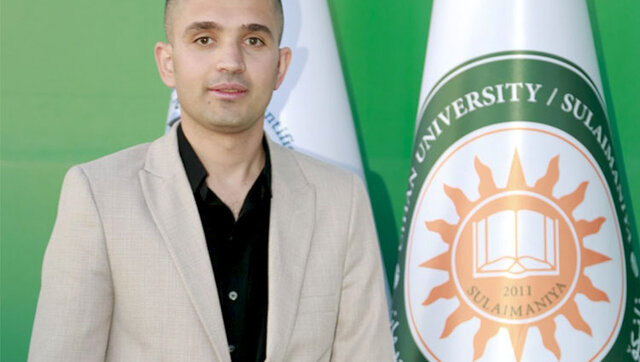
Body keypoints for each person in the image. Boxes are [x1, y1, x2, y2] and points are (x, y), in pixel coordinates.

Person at [28, 0, 394, 361]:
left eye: (253, 41)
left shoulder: (340, 200)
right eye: (204, 39)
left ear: (281, 66)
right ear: (167, 63)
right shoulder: (99, 196)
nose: (230, 62)